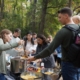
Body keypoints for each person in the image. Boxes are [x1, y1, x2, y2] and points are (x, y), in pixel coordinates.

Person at [27, 7, 80, 80]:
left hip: (68, 64)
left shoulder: (63, 31)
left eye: (60, 17)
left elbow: (50, 49)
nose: (59, 19)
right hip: (78, 62)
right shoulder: (78, 27)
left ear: (66, 16)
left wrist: (34, 57)